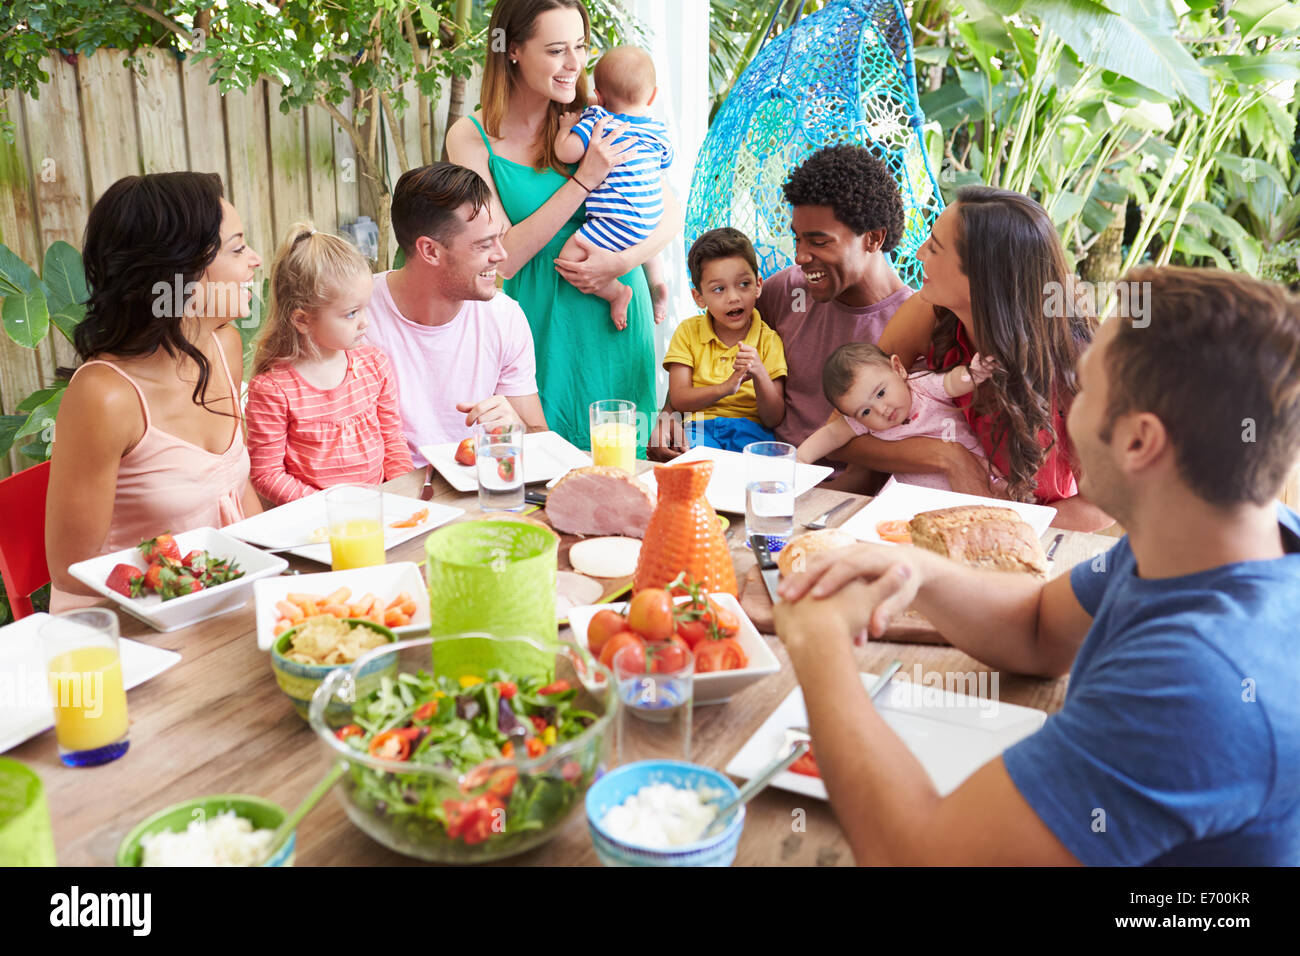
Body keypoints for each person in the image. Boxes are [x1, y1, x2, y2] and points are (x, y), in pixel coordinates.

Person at [776, 266, 1300, 865]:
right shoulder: (1215, 537)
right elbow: (1041, 631)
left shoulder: (1197, 682)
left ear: (1139, 442)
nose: (1065, 409)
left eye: (1085, 389)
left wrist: (819, 649)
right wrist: (913, 571)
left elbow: (919, 856)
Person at [446, 0, 683, 452]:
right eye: (556, 50)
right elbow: (505, 257)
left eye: (580, 46)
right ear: (512, 49)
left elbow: (668, 212)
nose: (575, 65)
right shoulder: (472, 136)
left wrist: (621, 265)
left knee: (620, 471)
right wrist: (582, 181)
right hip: (537, 320)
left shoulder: (600, 114)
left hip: (613, 312)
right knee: (541, 471)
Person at [46, 172, 263, 611]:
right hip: (128, 627)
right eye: (238, 248)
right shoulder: (105, 397)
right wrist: (201, 589)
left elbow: (235, 495)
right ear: (181, 271)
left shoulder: (223, 345)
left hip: (223, 602)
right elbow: (71, 571)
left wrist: (271, 572)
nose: (255, 260)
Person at [858, 186, 1111, 531]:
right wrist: (948, 457)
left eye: (934, 246)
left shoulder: (1077, 363)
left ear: (983, 274)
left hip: (1038, 540)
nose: (919, 254)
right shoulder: (925, 314)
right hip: (938, 522)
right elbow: (844, 429)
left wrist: (1001, 528)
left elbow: (1102, 506)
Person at [650, 144, 912, 459]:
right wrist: (669, 413)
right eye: (798, 239)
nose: (800, 257)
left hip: (834, 489)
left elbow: (904, 438)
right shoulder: (788, 289)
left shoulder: (912, 320)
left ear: (873, 238)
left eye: (819, 241)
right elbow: (708, 337)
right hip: (763, 469)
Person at [363, 163, 546, 468]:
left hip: (480, 493)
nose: (501, 254)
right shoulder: (357, 319)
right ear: (430, 251)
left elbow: (540, 441)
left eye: (499, 238)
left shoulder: (504, 317)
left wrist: (517, 430)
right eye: (484, 244)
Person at [244, 223, 412, 504]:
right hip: (313, 527)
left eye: (365, 307)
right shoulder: (273, 390)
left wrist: (402, 494)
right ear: (302, 320)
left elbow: (392, 440)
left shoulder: (375, 366)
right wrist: (330, 509)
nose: (365, 322)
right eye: (350, 313)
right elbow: (267, 474)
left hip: (377, 512)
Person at [553, 45, 672, 329]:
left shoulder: (598, 120)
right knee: (645, 239)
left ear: (599, 96)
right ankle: (657, 282)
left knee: (568, 258)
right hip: (650, 217)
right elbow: (665, 161)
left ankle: (616, 292)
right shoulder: (656, 129)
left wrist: (563, 130)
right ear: (653, 95)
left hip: (615, 220)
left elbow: (566, 153)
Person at [796, 343, 995, 493]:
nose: (881, 409)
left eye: (881, 393)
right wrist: (799, 460)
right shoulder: (864, 422)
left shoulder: (923, 387)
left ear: (898, 368)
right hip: (913, 495)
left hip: (977, 477)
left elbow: (952, 382)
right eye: (865, 411)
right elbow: (831, 434)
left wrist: (972, 374)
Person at [663, 228, 786, 451]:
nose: (733, 297)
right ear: (699, 297)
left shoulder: (769, 340)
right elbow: (679, 399)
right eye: (719, 289)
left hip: (753, 432)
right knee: (693, 468)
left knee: (763, 473)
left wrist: (759, 373)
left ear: (758, 285)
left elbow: (773, 418)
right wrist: (726, 387)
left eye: (744, 284)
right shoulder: (687, 332)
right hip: (699, 427)